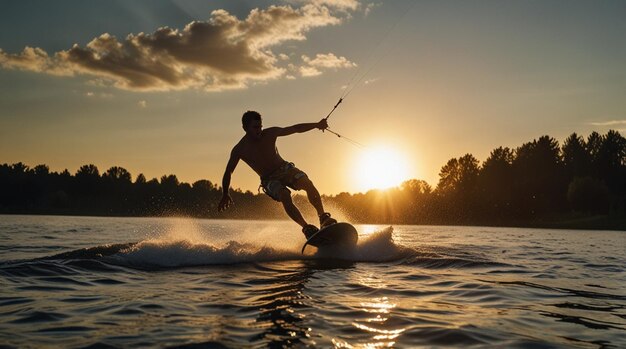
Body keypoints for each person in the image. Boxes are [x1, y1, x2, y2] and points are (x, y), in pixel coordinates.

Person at [218, 110, 337, 238]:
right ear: (245, 128)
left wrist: (316, 124)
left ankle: (323, 217)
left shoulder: (270, 133)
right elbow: (228, 172)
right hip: (269, 180)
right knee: (284, 195)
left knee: (307, 183)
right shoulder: (240, 149)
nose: (259, 130)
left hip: (285, 169)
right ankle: (306, 228)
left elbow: (295, 128)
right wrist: (225, 193)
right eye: (255, 127)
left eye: (260, 126)